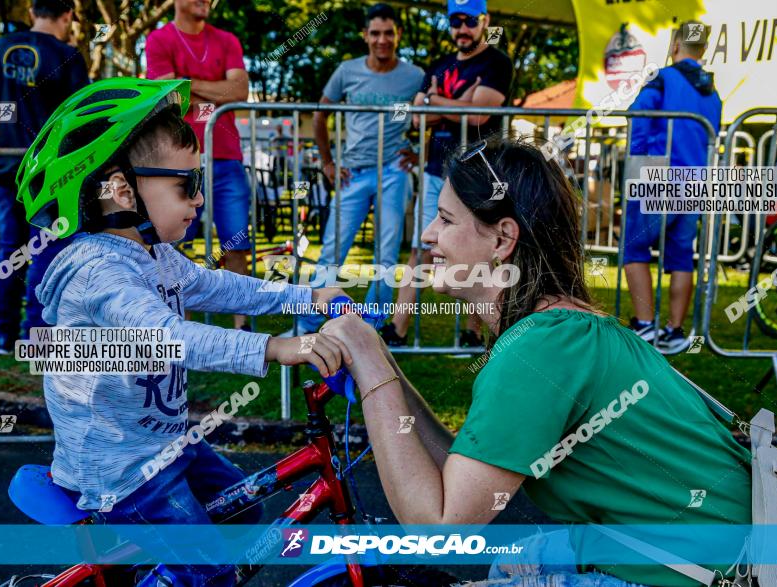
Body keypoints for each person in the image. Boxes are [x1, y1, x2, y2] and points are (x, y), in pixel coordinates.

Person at [322, 139, 751, 586]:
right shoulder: (555, 329)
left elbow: (440, 529)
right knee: (516, 562)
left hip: (705, 572)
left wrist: (371, 369)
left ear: (503, 239)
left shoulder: (537, 352)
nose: (428, 234)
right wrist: (385, 365)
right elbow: (466, 473)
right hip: (721, 551)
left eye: (445, 219)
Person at [17, 78, 350, 586]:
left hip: (164, 444)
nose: (199, 198)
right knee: (212, 573)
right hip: (123, 469)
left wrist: (306, 297)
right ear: (122, 190)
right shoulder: (98, 272)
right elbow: (171, 335)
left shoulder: (153, 254)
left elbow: (221, 288)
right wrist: (278, 347)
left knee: (243, 513)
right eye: (186, 185)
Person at [379, 0, 512, 348]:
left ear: (485, 21)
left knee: (484, 250)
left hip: (479, 173)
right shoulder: (439, 65)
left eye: (470, 21)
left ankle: (476, 331)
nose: (462, 28)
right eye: (456, 21)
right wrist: (459, 105)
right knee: (421, 247)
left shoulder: (497, 62)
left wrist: (437, 103)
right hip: (437, 171)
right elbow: (418, 117)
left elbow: (480, 116)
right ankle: (398, 329)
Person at [289, 3, 424, 336]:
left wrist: (420, 153)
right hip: (353, 170)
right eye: (375, 33)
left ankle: (374, 329)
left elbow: (430, 118)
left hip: (393, 170)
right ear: (365, 35)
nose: (382, 40)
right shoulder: (347, 71)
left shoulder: (416, 75)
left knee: (387, 253)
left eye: (388, 33)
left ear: (398, 35)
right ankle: (306, 327)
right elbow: (321, 114)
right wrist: (328, 162)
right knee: (333, 249)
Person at [0, 0, 90, 353]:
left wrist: (12, 115)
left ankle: (2, 336)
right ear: (68, 16)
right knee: (46, 250)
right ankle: (35, 336)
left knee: (10, 248)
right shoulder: (68, 54)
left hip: (6, 163)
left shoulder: (0, 47)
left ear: (31, 12)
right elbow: (79, 118)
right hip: (48, 169)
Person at [145, 0, 252, 329]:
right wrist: (215, 89)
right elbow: (166, 97)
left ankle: (243, 326)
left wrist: (188, 82)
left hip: (226, 157)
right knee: (175, 247)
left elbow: (241, 90)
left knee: (237, 245)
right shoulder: (159, 40)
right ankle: (178, 328)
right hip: (178, 162)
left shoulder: (227, 40)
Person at [623, 20, 722, 353]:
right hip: (695, 182)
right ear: (704, 49)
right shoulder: (712, 91)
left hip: (657, 174)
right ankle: (675, 330)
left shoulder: (662, 77)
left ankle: (644, 324)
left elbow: (638, 119)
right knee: (681, 257)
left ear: (675, 45)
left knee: (634, 248)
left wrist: (635, 169)